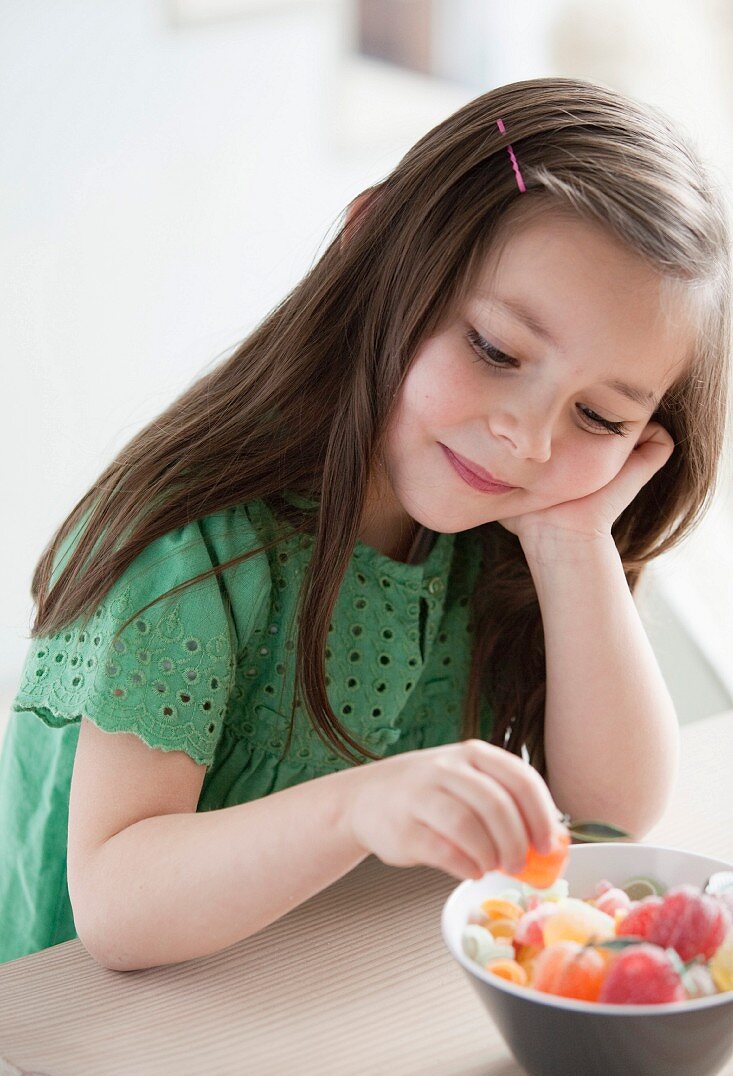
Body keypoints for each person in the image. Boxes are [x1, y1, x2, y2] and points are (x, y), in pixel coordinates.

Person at [0, 76, 729, 971]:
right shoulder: (189, 543)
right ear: (372, 249)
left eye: (600, 418)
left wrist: (569, 543)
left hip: (315, 995)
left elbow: (611, 811)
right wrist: (357, 805)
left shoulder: (497, 532)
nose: (527, 439)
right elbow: (114, 907)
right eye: (495, 350)